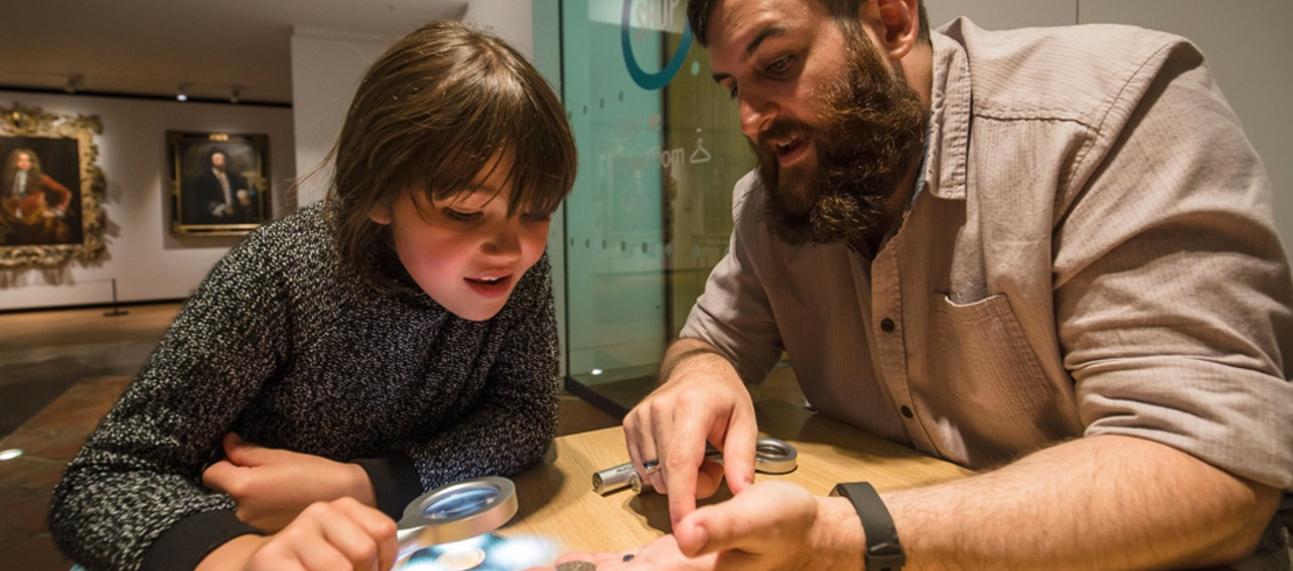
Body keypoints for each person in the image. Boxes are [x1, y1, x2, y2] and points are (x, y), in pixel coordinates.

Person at [556, 0, 1292, 569]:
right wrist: (701, 374)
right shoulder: (773, 194)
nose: (750, 120)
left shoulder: (1107, 116)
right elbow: (707, 340)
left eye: (776, 65)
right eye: (731, 88)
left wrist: (846, 536)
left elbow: (1212, 469)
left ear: (890, 19)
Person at [49, 20, 577, 571]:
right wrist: (242, 559)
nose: (511, 248)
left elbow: (524, 416)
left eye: (536, 211)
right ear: (376, 191)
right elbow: (102, 481)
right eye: (465, 212)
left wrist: (365, 484)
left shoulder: (518, 274)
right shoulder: (279, 272)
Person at [1, 147, 73, 243]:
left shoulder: (41, 178)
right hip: (13, 220)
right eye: (20, 160)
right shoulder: (9, 179)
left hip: (38, 222)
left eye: (28, 160)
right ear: (14, 162)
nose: (24, 163)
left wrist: (57, 211)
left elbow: (65, 192)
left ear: (32, 163)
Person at [184, 149, 257, 225]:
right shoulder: (203, 179)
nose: (220, 161)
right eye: (217, 159)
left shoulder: (232, 176)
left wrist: (243, 194)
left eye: (222, 159)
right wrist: (223, 209)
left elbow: (243, 190)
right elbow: (200, 200)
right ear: (211, 162)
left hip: (234, 217)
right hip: (212, 218)